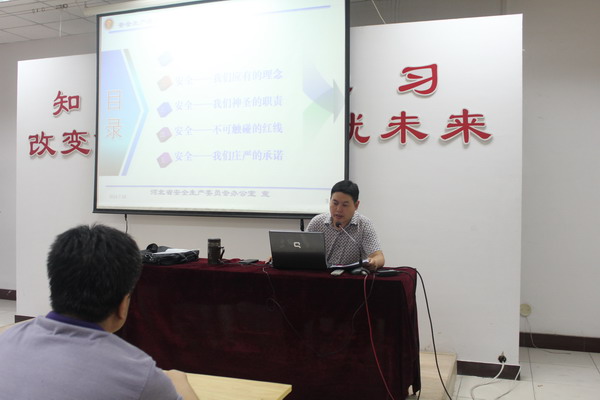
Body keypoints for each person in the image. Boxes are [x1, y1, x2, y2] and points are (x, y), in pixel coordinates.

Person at [0, 224, 199, 400]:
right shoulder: (139, 374)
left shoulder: (7, 339)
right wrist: (179, 382)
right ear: (123, 305)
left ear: (55, 285)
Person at [307, 180, 385, 270]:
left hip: (351, 276)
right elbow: (303, 251)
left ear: (356, 205)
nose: (338, 209)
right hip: (321, 275)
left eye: (345, 205)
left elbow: (378, 257)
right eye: (335, 203)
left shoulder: (363, 224)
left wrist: (374, 262)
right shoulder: (317, 222)